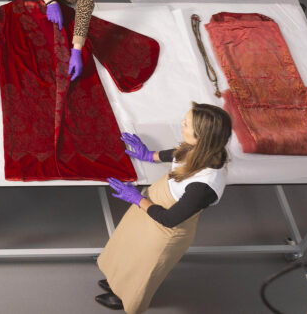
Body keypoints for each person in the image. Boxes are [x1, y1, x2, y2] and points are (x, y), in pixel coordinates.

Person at [96, 103, 233, 312]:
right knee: (129, 247)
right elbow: (180, 153)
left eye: (186, 124)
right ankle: (118, 281)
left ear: (201, 138)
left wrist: (135, 197)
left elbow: (169, 220)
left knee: (142, 266)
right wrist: (149, 155)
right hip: (152, 205)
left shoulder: (205, 186)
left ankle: (125, 298)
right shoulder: (201, 148)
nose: (182, 124)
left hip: (165, 228)